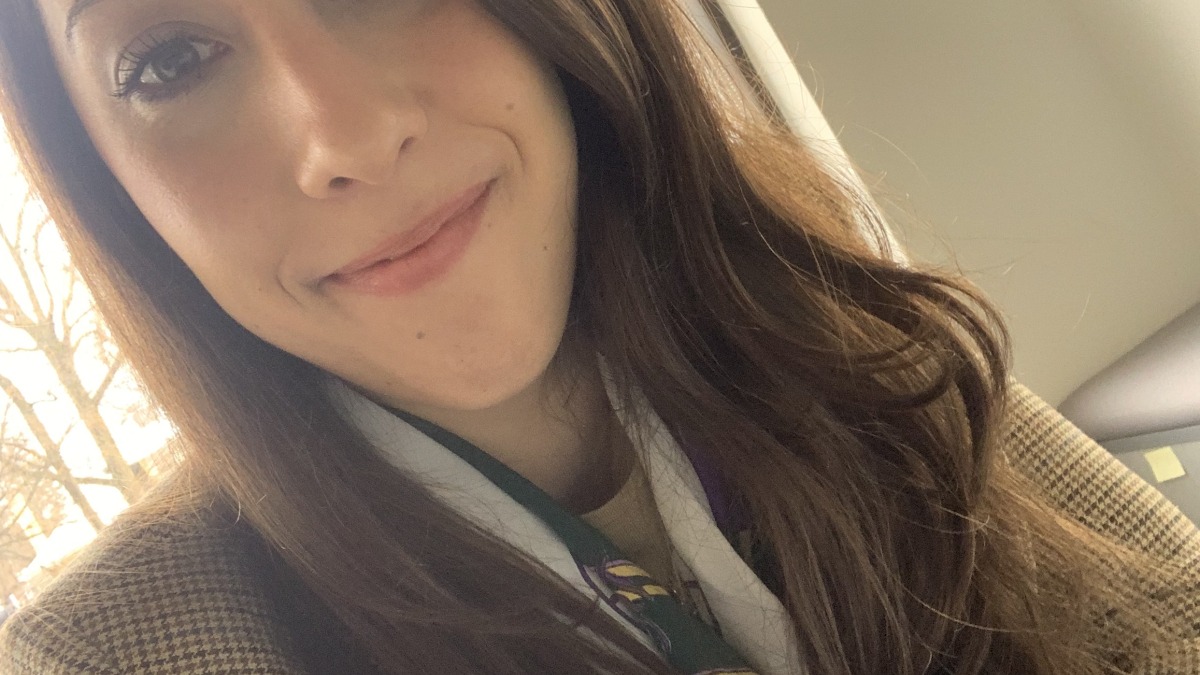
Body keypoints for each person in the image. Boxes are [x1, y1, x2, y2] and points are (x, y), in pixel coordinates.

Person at [0, 0, 1196, 672]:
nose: (346, 137)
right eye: (167, 60)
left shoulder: (865, 355)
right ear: (115, 192)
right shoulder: (112, 656)